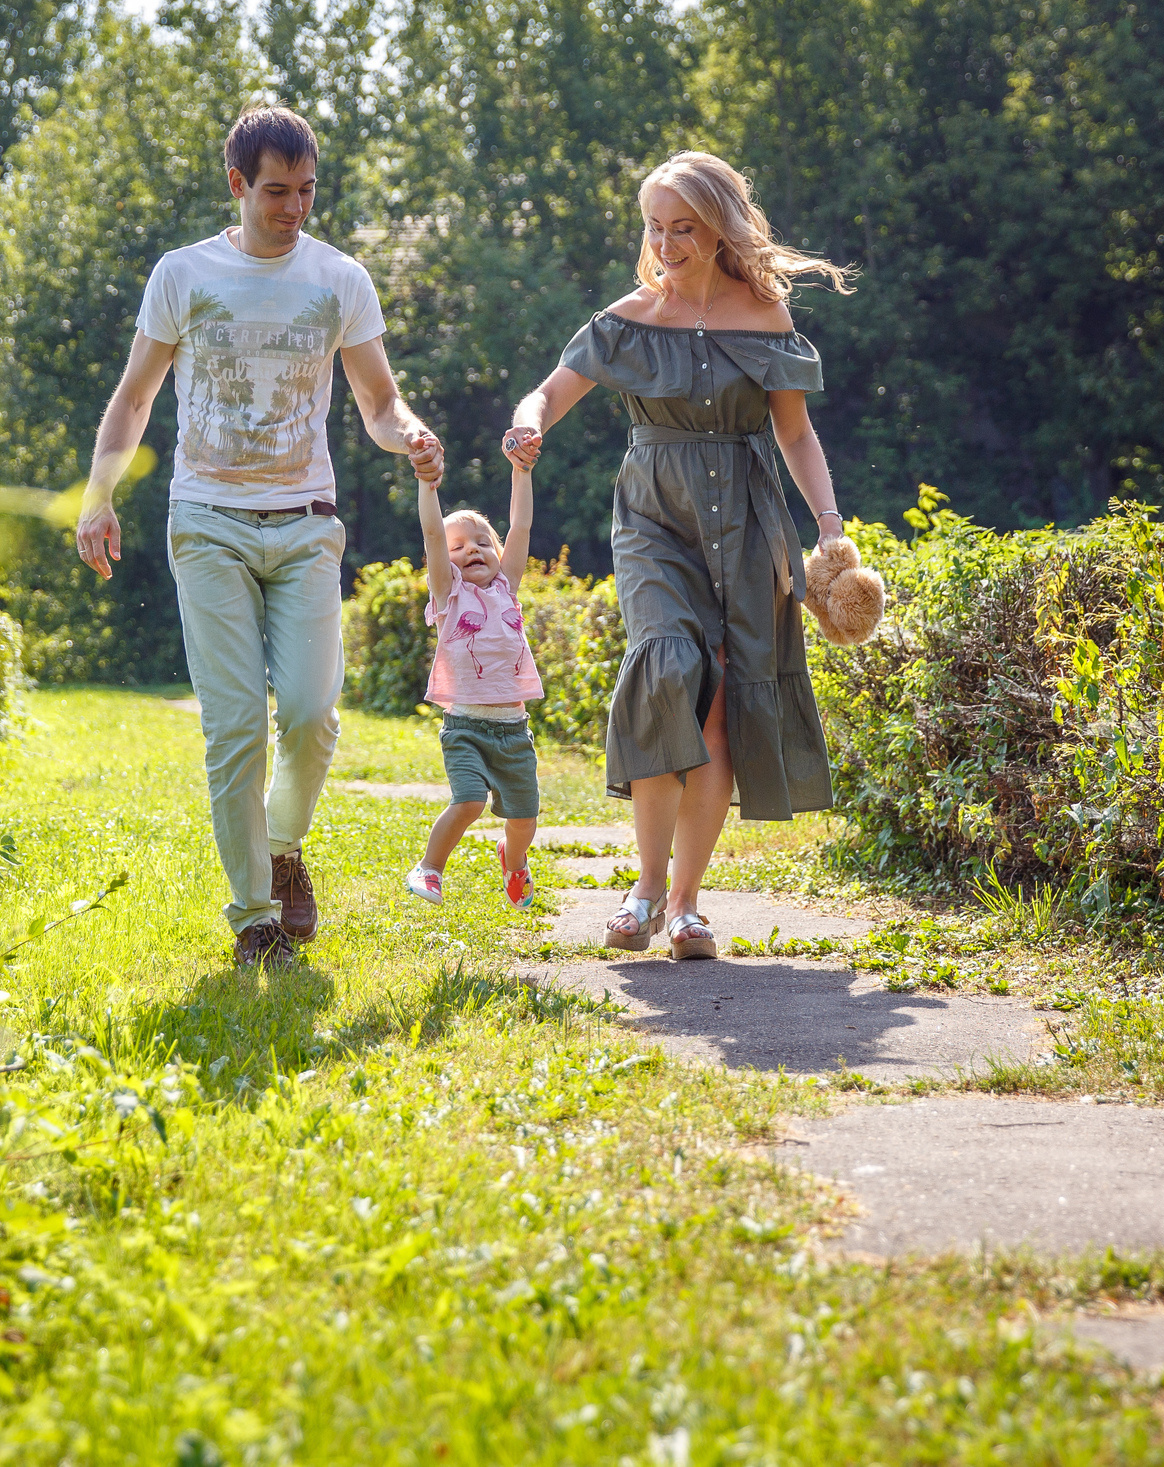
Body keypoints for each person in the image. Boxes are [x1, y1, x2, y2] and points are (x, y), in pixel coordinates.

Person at [75, 105, 443, 969]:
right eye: (277, 191)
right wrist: (99, 495)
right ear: (238, 185)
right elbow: (133, 398)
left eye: (307, 189)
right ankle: (254, 920)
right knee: (236, 723)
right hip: (206, 522)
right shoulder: (183, 274)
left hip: (308, 522)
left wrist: (411, 433)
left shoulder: (339, 278)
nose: (295, 208)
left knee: (313, 715)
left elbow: (380, 403)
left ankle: (284, 847)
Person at [502, 150, 854, 959]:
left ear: (719, 226)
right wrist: (529, 425)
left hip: (748, 520)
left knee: (722, 704)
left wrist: (829, 525)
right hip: (654, 518)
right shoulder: (632, 316)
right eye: (654, 227)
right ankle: (644, 886)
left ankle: (687, 906)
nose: (665, 244)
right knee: (665, 669)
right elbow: (548, 391)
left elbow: (794, 432)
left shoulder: (763, 315)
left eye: (682, 228)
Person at [402, 459, 544, 909]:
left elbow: (520, 526)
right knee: (469, 803)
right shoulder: (449, 595)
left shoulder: (508, 587)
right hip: (465, 726)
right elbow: (431, 536)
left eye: (483, 542)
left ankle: (514, 861)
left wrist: (521, 473)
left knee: (524, 816)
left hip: (514, 730)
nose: (473, 550)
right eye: (458, 545)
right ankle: (429, 868)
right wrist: (428, 485)